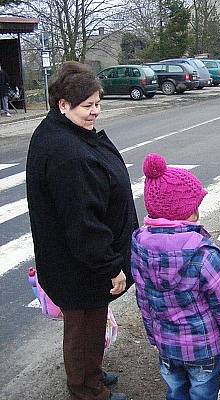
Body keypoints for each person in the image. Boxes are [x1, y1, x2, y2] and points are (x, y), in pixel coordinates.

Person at [26, 61, 139, 400]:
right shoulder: (68, 152)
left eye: (98, 104)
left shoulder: (65, 133)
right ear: (64, 105)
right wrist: (112, 267)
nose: (95, 113)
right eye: (87, 106)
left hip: (78, 262)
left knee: (92, 323)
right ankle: (86, 391)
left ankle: (93, 374)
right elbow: (83, 223)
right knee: (82, 329)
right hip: (80, 264)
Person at [131, 153, 220, 400]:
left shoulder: (140, 246)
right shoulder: (204, 254)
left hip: (167, 346)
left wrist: (153, 336)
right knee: (202, 394)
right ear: (188, 211)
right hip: (204, 349)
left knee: (176, 392)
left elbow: (143, 299)